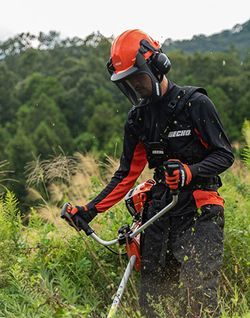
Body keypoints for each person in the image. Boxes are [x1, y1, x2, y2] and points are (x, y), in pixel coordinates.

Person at [68, 30, 234, 317]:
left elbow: (224, 154)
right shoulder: (138, 118)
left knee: (199, 301)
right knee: (155, 303)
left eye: (138, 77)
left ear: (157, 65)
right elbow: (126, 175)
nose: (135, 85)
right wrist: (89, 210)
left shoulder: (195, 103)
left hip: (200, 209)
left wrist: (189, 173)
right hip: (158, 213)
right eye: (128, 81)